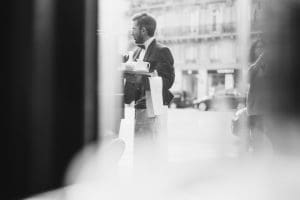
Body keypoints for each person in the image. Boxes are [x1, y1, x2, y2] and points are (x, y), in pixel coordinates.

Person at [123, 13, 175, 168]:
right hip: (139, 109)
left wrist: (142, 80)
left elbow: (168, 80)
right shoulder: (136, 52)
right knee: (139, 153)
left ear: (143, 30)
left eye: (134, 28)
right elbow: (133, 79)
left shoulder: (162, 50)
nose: (131, 32)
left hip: (154, 111)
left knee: (153, 154)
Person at [246, 39, 271, 154]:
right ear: (254, 51)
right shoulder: (252, 68)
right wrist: (261, 59)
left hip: (268, 111)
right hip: (255, 111)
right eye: (258, 47)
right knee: (257, 143)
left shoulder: (270, 68)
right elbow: (249, 78)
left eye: (263, 47)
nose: (261, 50)